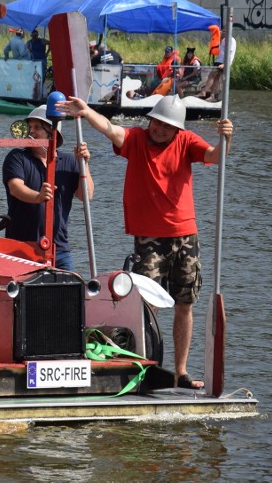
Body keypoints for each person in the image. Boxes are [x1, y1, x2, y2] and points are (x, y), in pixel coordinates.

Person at [56, 94, 233, 390]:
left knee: (184, 303)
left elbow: (216, 157)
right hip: (150, 237)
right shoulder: (137, 139)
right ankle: (145, 365)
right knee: (147, 304)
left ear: (177, 129)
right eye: (156, 123)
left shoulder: (187, 141)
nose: (159, 130)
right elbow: (111, 130)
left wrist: (226, 138)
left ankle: (180, 372)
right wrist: (86, 112)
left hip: (185, 234)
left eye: (166, 126)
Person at [2, 101, 94, 271]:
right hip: (21, 246)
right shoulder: (17, 157)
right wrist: (38, 196)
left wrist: (84, 164)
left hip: (59, 247)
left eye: (37, 127)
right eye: (30, 127)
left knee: (70, 291)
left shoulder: (69, 162)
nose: (31, 132)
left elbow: (86, 195)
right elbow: (15, 187)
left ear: (52, 133)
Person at [197, 35, 236, 101]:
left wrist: (225, 64)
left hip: (224, 62)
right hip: (218, 61)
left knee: (211, 75)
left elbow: (230, 53)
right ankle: (212, 96)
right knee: (216, 78)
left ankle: (203, 92)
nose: (223, 32)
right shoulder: (223, 39)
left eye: (225, 31)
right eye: (222, 31)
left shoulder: (231, 40)